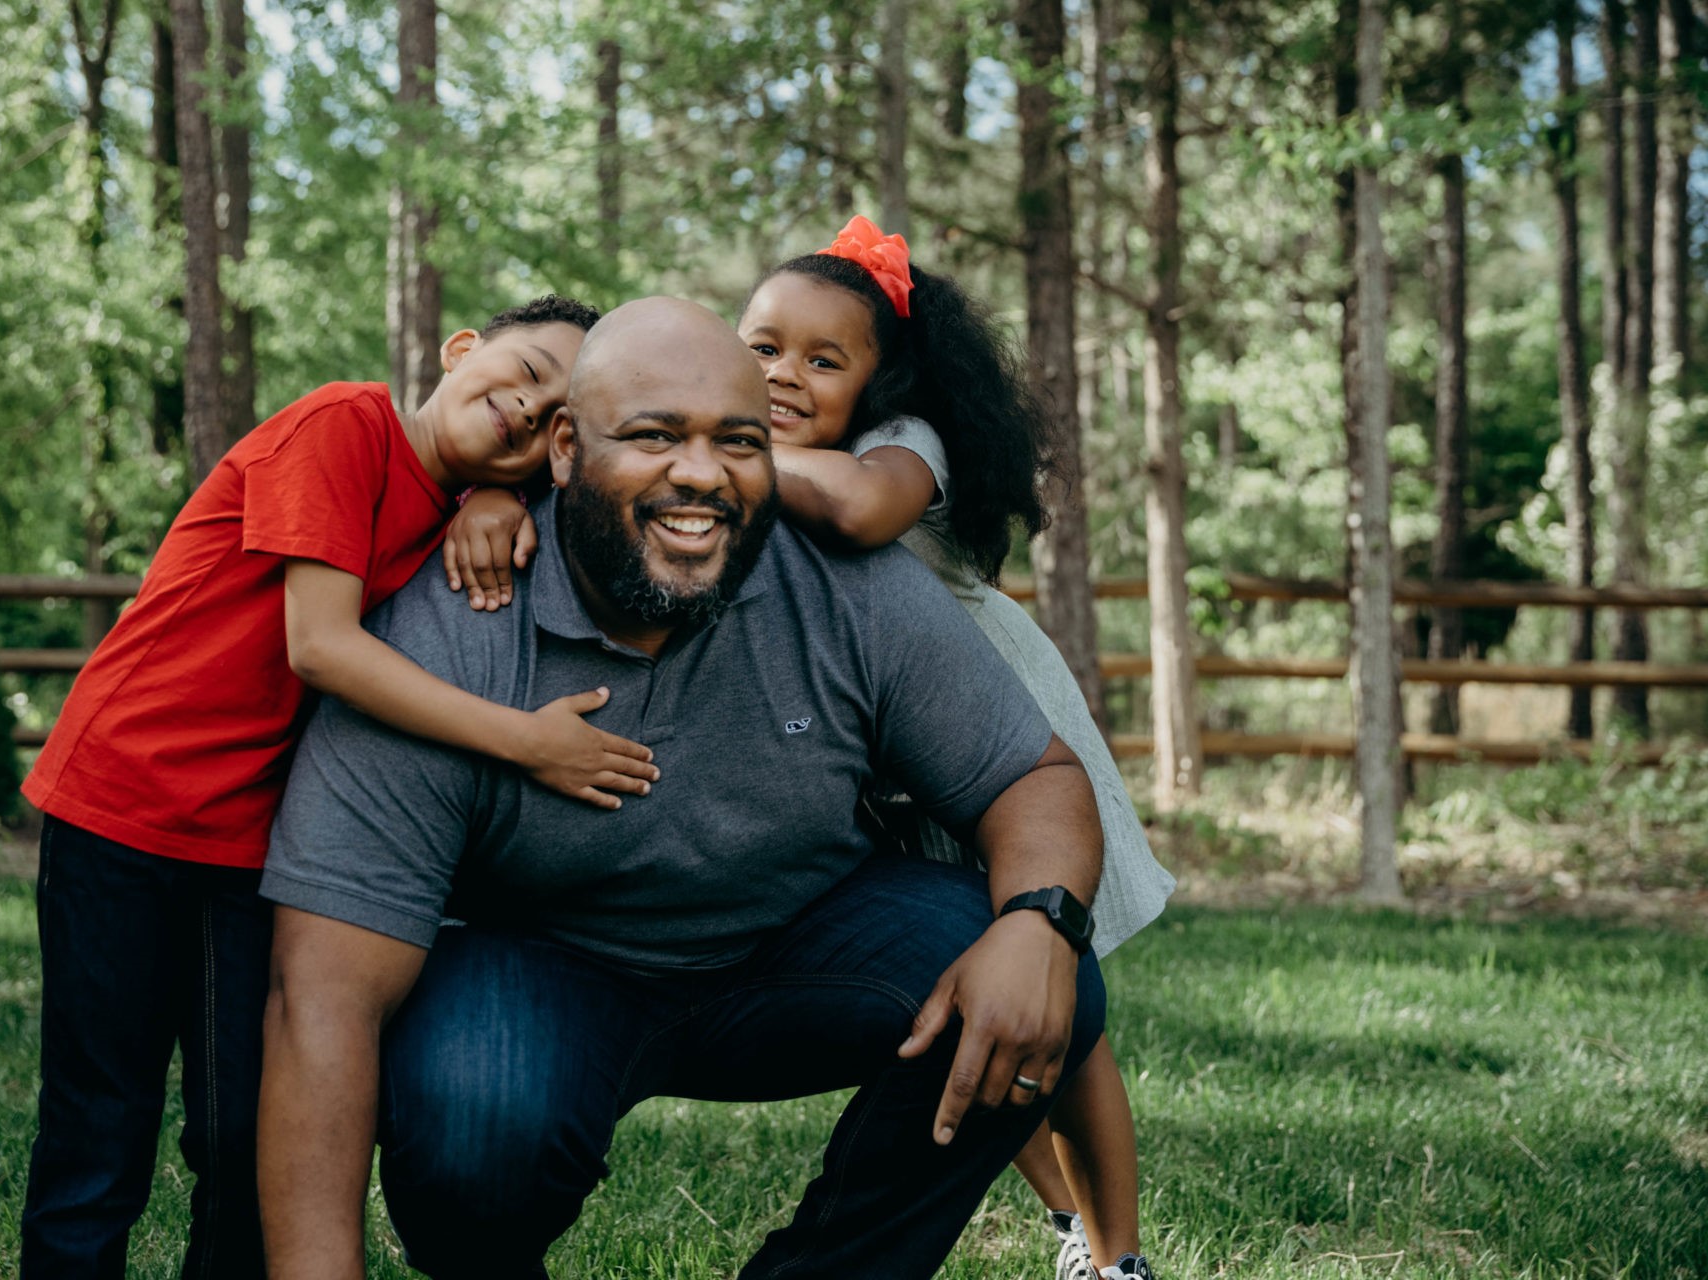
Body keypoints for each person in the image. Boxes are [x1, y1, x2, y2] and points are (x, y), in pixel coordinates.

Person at [256, 296, 1109, 1279]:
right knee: (469, 1118)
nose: (700, 473)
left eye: (738, 442)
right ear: (567, 446)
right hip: (545, 964)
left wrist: (1041, 918)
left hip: (800, 940)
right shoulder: (449, 632)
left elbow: (1031, 773)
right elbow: (319, 999)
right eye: (656, 435)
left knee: (1048, 972)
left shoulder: (845, 583)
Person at [16, 296, 648, 1279]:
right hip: (124, 803)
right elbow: (319, 645)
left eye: (553, 418)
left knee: (239, 1132)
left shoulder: (474, 506)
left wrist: (503, 499)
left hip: (245, 843)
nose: (525, 409)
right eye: (523, 372)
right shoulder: (341, 421)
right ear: (462, 348)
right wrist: (525, 742)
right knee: (102, 1123)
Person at [735, 216, 1175, 1280]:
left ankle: (1120, 1258)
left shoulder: (901, 447)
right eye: (762, 348)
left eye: (823, 359)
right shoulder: (746, 463)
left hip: (1002, 734)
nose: (785, 375)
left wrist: (731, 444)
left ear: (882, 382)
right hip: (891, 763)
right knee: (977, 1018)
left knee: (1065, 1014)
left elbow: (855, 509)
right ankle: (1066, 1221)